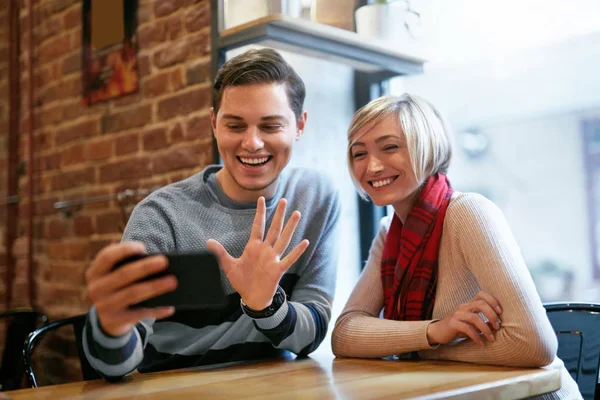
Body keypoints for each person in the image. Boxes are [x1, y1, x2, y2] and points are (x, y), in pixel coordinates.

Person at [82, 48, 340, 378]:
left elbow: (311, 335)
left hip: (276, 388)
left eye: (270, 126)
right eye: (235, 126)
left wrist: (266, 306)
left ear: (300, 125)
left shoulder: (316, 198)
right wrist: (111, 327)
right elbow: (115, 367)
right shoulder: (162, 215)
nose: (253, 143)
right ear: (214, 125)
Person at [331, 94, 581, 399]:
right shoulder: (389, 233)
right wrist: (435, 331)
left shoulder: (468, 212)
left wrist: (422, 350)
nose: (372, 166)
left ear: (427, 147)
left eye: (390, 147)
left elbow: (533, 344)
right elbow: (345, 333)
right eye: (359, 154)